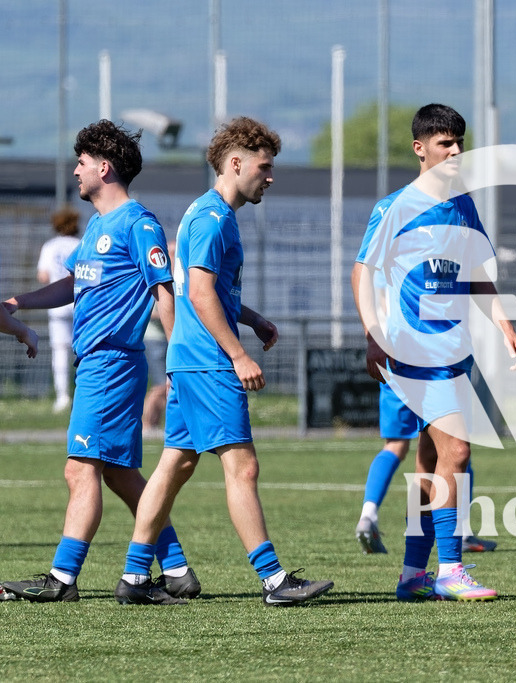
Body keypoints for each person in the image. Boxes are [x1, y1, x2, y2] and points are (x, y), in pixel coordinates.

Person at [115, 116, 332, 606]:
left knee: (175, 464)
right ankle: (275, 580)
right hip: (209, 362)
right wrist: (237, 354)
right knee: (243, 467)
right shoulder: (213, 219)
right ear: (236, 163)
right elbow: (200, 291)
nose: (270, 177)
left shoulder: (211, 215)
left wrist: (253, 319)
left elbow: (209, 292)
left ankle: (132, 577)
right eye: (264, 166)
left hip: (189, 359)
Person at [1, 120, 198, 603]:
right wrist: (18, 303)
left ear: (103, 168)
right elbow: (73, 284)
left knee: (80, 468)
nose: (75, 171)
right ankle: (176, 569)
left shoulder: (137, 223)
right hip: (97, 364)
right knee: (119, 473)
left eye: (82, 163)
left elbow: (164, 295)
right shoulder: (96, 227)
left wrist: (177, 365)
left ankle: (62, 578)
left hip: (112, 363)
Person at [354, 103, 516, 602]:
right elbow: (362, 271)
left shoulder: (463, 205)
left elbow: (475, 275)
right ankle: (450, 569)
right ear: (420, 149)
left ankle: (412, 574)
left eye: (458, 143)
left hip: (454, 349)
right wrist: (371, 335)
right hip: (414, 350)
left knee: (430, 465)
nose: (454, 152)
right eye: (444, 144)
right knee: (458, 451)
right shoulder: (395, 207)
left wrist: (504, 325)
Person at [352, 387, 495, 555]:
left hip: (395, 370)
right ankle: (462, 533)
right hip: (433, 374)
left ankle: (368, 515)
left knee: (394, 445)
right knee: (456, 448)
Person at [37, 207, 80, 412]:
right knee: (83, 350)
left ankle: (63, 397)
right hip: (79, 302)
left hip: (57, 304)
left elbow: (43, 276)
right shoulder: (80, 243)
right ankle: (82, 393)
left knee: (60, 351)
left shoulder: (50, 246)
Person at [140, 242, 175, 437]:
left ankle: (154, 424)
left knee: (167, 386)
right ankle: (146, 425)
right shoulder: (159, 277)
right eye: (172, 252)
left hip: (164, 339)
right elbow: (153, 312)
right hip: (155, 339)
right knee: (161, 385)